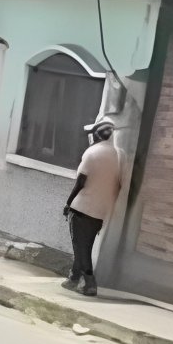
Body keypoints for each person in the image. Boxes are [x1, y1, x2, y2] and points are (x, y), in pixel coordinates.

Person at [62, 119, 122, 297]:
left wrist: (68, 203)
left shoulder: (92, 153)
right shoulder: (117, 155)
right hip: (100, 212)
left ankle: (89, 282)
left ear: (96, 134)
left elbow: (80, 181)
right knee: (84, 245)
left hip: (82, 208)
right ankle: (74, 277)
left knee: (81, 248)